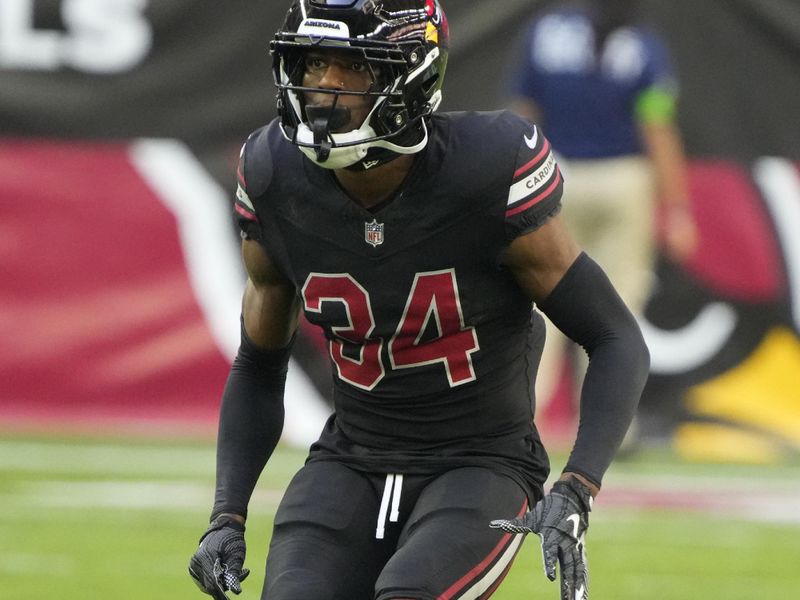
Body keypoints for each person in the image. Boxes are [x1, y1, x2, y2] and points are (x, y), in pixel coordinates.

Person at [188, 1, 649, 600]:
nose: (322, 85)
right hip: (350, 460)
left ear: (407, 77)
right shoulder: (274, 174)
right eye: (313, 63)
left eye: (349, 67)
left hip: (482, 463)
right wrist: (226, 514)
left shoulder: (484, 169)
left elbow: (615, 337)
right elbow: (258, 363)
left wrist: (578, 485)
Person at [507, 0, 696, 412]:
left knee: (541, 302)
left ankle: (520, 416)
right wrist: (678, 208)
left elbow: (523, 115)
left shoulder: (544, 32)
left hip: (552, 176)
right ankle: (606, 422)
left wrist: (511, 180)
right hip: (621, 181)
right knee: (614, 313)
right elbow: (657, 126)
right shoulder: (643, 44)